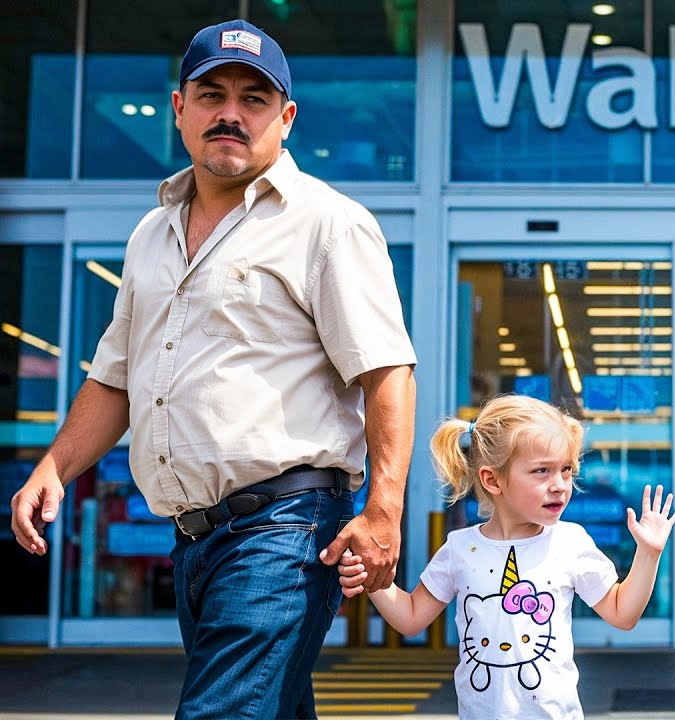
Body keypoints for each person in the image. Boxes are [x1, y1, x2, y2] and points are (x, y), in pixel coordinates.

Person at [7, 19, 416, 720]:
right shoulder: (150, 234)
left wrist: (385, 511)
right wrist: (55, 467)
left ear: (285, 119)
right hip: (196, 543)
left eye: (254, 98)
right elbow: (115, 377)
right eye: (212, 93)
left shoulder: (326, 223)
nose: (231, 113)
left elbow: (387, 373)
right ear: (179, 108)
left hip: (285, 533)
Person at [337, 394, 675, 720]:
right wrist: (372, 577)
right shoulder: (460, 549)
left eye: (566, 470)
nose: (560, 484)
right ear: (493, 480)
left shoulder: (570, 542)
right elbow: (411, 618)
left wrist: (649, 554)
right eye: (541, 471)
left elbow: (623, 614)